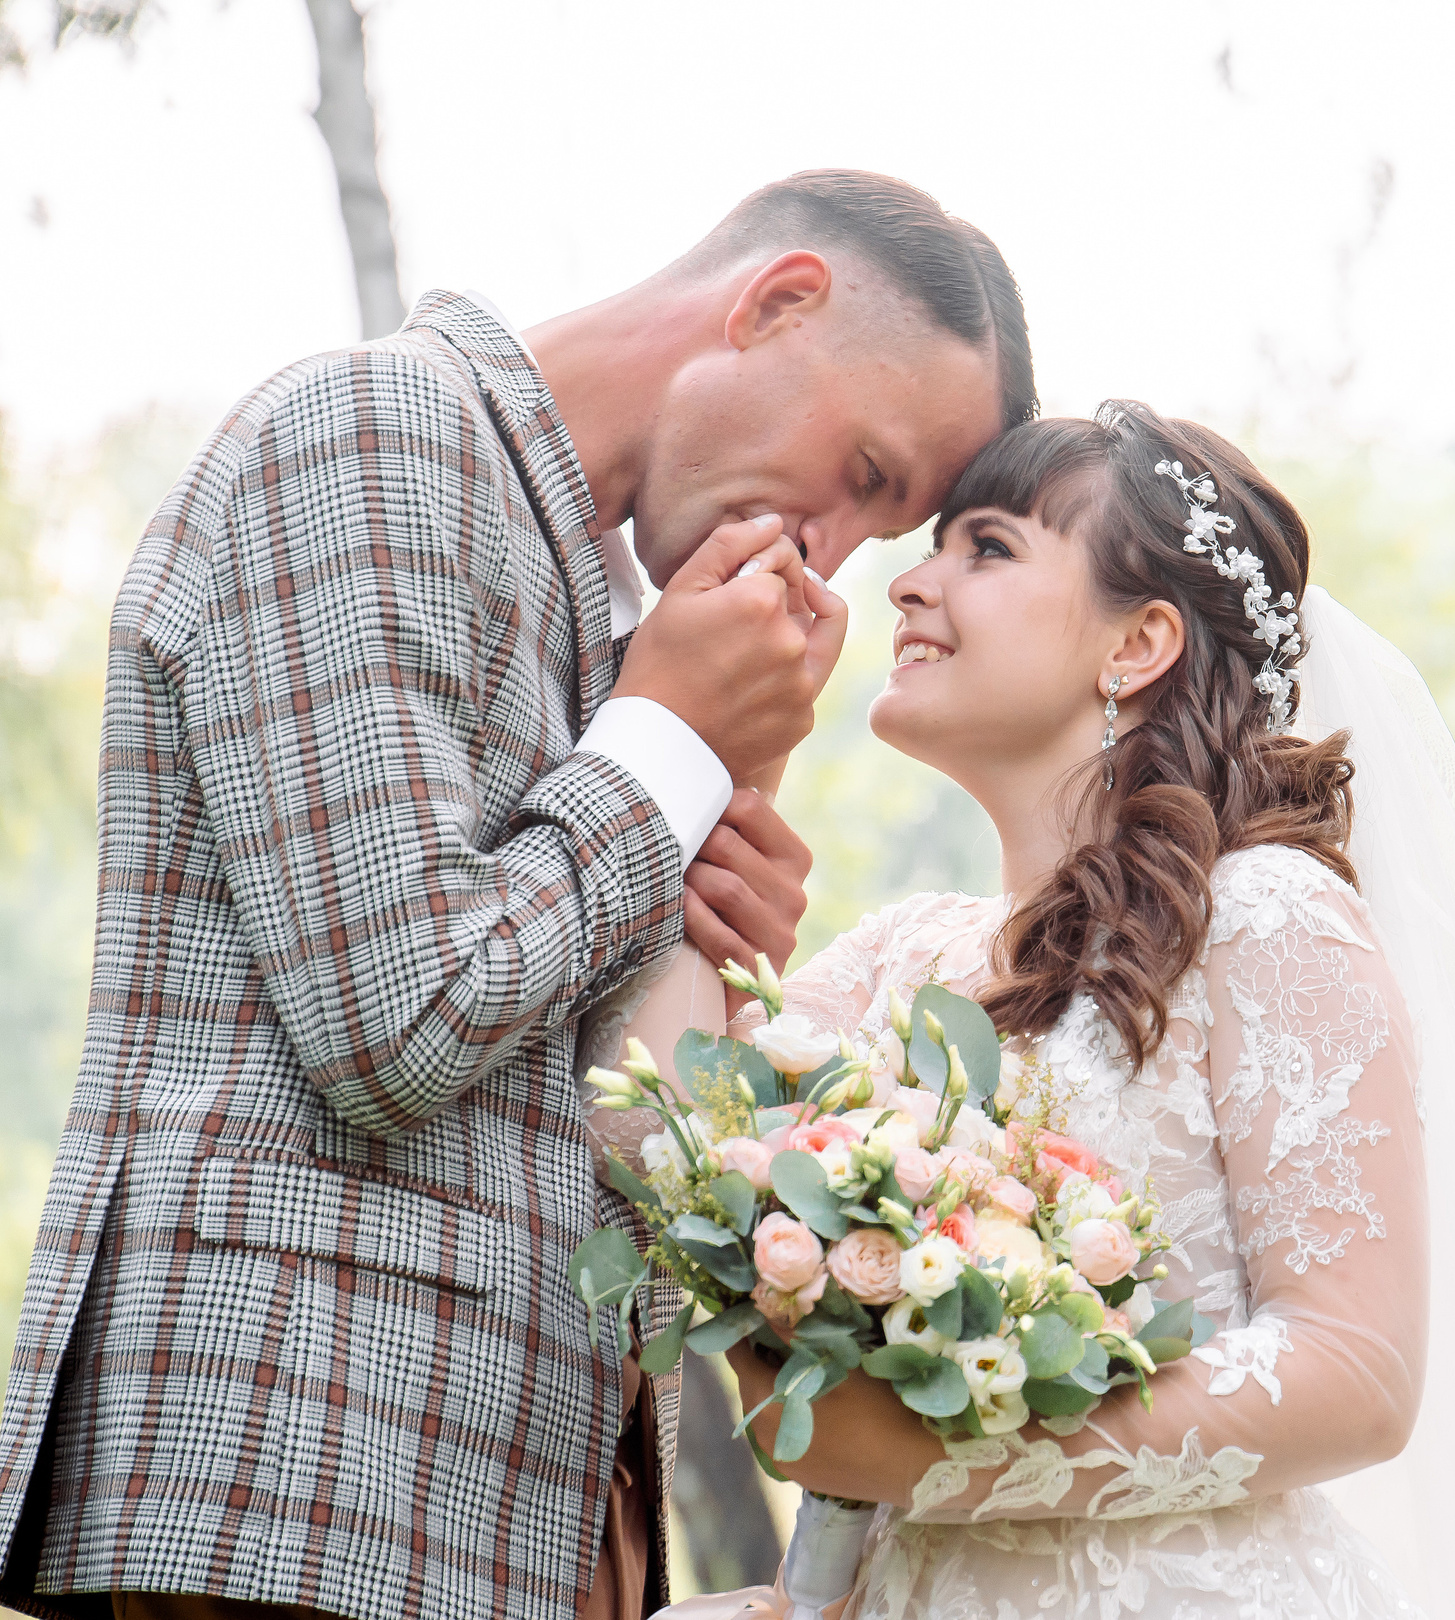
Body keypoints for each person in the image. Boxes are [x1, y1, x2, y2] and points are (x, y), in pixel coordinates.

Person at [0, 169, 1033, 1620]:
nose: (832, 549)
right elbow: (397, 1021)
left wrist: (717, 906)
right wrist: (664, 750)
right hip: (298, 1483)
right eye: (863, 471)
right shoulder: (370, 437)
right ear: (776, 302)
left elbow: (608, 1147)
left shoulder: (628, 628)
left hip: (542, 1512)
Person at [630, 402, 1455, 1618]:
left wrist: (949, 1457)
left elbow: (1357, 1370)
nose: (910, 586)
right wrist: (741, 761)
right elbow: (658, 1136)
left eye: (985, 549)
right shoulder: (899, 957)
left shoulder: (1265, 920)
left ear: (1138, 642)